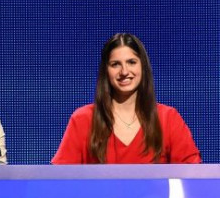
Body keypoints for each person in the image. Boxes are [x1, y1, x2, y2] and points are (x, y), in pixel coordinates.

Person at [52, 33, 200, 164]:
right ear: (106, 71)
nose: (124, 71)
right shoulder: (83, 119)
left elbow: (193, 175)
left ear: (142, 67)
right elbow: (59, 178)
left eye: (131, 62)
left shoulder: (168, 118)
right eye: (115, 64)